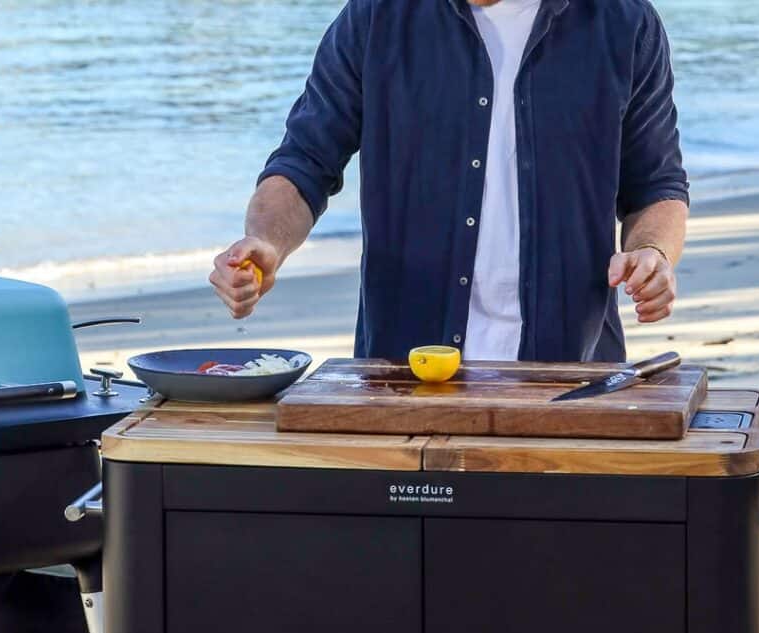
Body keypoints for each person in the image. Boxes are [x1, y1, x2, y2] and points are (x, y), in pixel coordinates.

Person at [210, 0, 688, 362]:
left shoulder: (623, 24)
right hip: (403, 372)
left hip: (571, 372)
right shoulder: (376, 17)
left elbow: (656, 185)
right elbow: (304, 160)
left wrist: (654, 253)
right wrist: (265, 241)